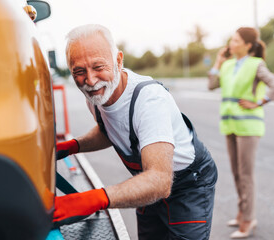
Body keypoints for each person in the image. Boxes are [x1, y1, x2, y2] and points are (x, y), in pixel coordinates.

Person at [54, 24, 218, 240]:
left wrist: (93, 199)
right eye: (79, 71)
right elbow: (111, 131)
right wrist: (71, 147)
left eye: (98, 67)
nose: (91, 80)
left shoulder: (149, 100)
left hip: (187, 186)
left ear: (118, 61)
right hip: (145, 181)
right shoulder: (95, 96)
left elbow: (159, 180)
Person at [208, 27, 274, 239]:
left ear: (247, 45)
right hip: (230, 125)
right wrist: (217, 62)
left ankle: (249, 220)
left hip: (249, 127)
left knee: (246, 175)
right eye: (231, 40)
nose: (231, 44)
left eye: (236, 40)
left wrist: (258, 102)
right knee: (236, 172)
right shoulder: (227, 65)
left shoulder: (256, 64)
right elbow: (211, 85)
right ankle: (242, 213)